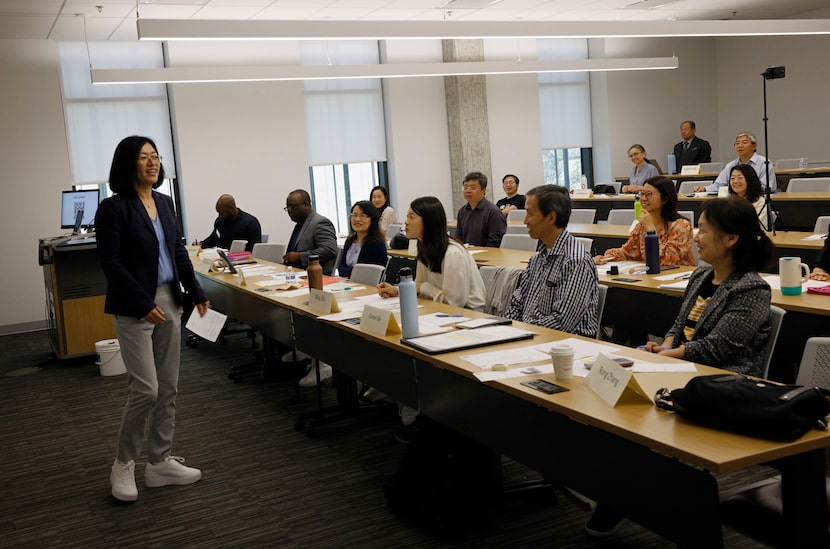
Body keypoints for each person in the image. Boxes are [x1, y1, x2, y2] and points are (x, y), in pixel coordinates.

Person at [586, 198, 773, 538]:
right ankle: (620, 492)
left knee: (633, 413)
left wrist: (661, 357)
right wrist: (665, 345)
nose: (697, 236)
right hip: (682, 370)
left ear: (730, 239)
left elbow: (717, 350)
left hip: (721, 384)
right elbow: (679, 325)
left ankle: (629, 497)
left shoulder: (751, 288)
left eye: (704, 229)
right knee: (611, 403)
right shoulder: (702, 275)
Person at [96, 135, 210, 502]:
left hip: (169, 299)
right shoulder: (114, 208)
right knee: (146, 389)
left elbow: (178, 250)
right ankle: (123, 463)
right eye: (144, 157)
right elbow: (111, 263)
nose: (152, 162)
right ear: (129, 163)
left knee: (170, 386)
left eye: (156, 157)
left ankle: (159, 462)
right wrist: (142, 301)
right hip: (135, 304)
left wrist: (196, 291)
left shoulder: (165, 201)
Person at [505, 185, 599, 338]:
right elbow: (517, 303)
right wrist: (509, 331)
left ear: (551, 218)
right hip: (532, 337)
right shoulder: (537, 258)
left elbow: (562, 322)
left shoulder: (576, 261)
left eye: (530, 214)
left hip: (565, 346)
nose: (525, 221)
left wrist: (523, 332)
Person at [378, 196, 485, 310]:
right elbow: (419, 286)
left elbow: (454, 303)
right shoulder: (424, 247)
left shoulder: (452, 253)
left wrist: (424, 288)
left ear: (429, 221)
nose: (406, 222)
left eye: (412, 217)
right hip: (439, 307)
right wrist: (398, 290)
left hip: (469, 312)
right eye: (407, 216)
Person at [594, 176, 695, 267]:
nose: (643, 198)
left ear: (664, 199)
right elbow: (627, 252)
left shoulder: (681, 226)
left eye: (649, 194)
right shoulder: (642, 226)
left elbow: (665, 261)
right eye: (642, 194)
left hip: (677, 281)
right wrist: (607, 257)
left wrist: (651, 229)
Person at [694, 131, 776, 193]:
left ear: (754, 146)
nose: (740, 145)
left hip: (757, 200)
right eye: (737, 143)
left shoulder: (764, 163)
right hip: (734, 201)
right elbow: (719, 185)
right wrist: (705, 189)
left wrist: (743, 188)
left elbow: (768, 187)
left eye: (744, 143)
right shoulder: (730, 165)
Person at [283, 189, 339, 275]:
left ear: (306, 205)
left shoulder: (320, 222)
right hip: (295, 274)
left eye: (293, 207)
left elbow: (329, 250)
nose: (290, 211)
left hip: (315, 276)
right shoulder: (300, 223)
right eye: (288, 207)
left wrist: (300, 257)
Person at [194, 194, 261, 252]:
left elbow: (254, 250)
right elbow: (213, 239)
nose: (220, 216)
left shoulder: (250, 223)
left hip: (242, 262)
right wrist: (201, 244)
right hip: (222, 260)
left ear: (232, 208)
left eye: (222, 213)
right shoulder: (220, 221)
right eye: (218, 213)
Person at [456, 171, 507, 247]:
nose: (468, 191)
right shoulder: (462, 211)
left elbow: (495, 243)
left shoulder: (494, 212)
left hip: (487, 256)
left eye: (473, 188)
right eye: (465, 187)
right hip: (466, 255)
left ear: (484, 190)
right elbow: (458, 238)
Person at [338, 200, 388, 278]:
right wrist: (350, 271)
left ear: (372, 219)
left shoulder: (376, 243)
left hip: (367, 286)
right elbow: (341, 268)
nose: (357, 219)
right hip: (348, 283)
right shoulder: (350, 241)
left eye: (363, 216)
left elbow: (364, 272)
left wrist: (348, 271)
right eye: (354, 215)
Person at [727, 163, 773, 230]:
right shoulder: (728, 200)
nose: (735, 181)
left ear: (750, 180)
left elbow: (760, 228)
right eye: (732, 178)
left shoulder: (760, 202)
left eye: (740, 178)